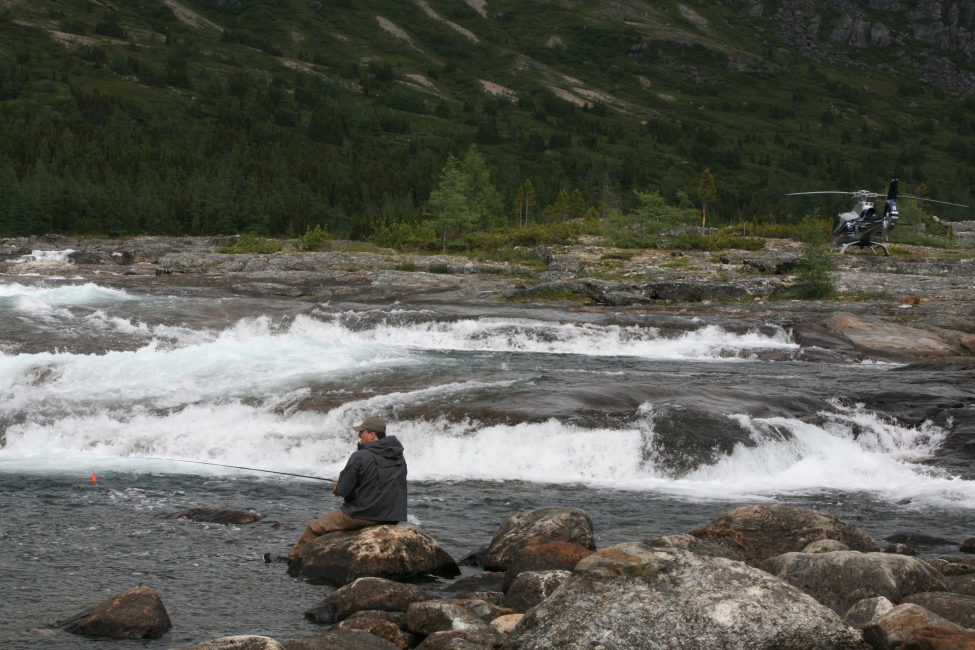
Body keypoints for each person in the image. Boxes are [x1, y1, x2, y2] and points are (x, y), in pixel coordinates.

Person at [287, 416, 407, 562]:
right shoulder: (399, 457)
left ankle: (292, 560)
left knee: (314, 529)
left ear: (372, 434)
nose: (358, 435)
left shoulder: (360, 456)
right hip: (392, 516)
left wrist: (339, 487)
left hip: (363, 514)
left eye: (361, 432)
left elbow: (344, 490)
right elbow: (386, 482)